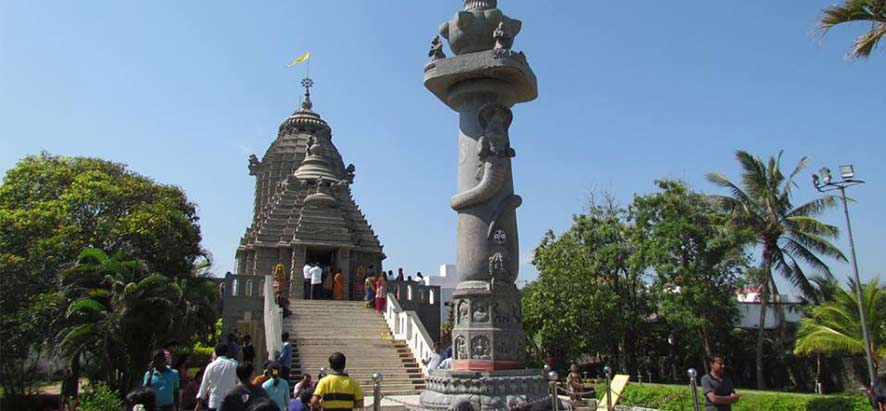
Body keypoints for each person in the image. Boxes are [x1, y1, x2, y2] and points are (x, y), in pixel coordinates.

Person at [196, 343, 239, 411]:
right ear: (226, 352)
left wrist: (199, 402)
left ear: (215, 352)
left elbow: (204, 385)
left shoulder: (211, 366)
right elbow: (239, 382)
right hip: (230, 404)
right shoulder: (234, 364)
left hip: (214, 403)